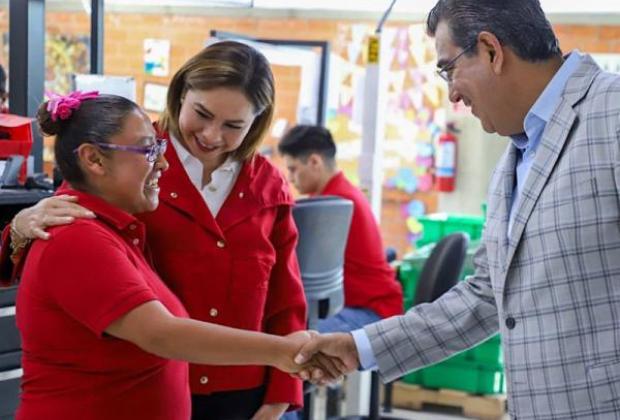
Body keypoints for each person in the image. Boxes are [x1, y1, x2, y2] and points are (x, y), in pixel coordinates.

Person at [294, 1, 620, 418]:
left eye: (449, 69)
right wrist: (359, 347)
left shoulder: (609, 114)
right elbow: (487, 295)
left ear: (490, 50)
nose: (452, 93)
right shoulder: (516, 156)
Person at [4, 41, 308, 420]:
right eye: (202, 114)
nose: (212, 136)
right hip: (140, 385)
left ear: (256, 123)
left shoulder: (268, 187)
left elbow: (285, 301)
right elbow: (70, 228)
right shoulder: (128, 158)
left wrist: (279, 399)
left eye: (233, 126)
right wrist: (19, 226)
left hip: (242, 392)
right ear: (181, 95)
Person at [278, 125, 403, 333]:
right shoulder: (338, 195)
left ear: (314, 161)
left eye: (293, 169)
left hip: (371, 314)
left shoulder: (331, 206)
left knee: (288, 337)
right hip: (366, 307)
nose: (290, 178)